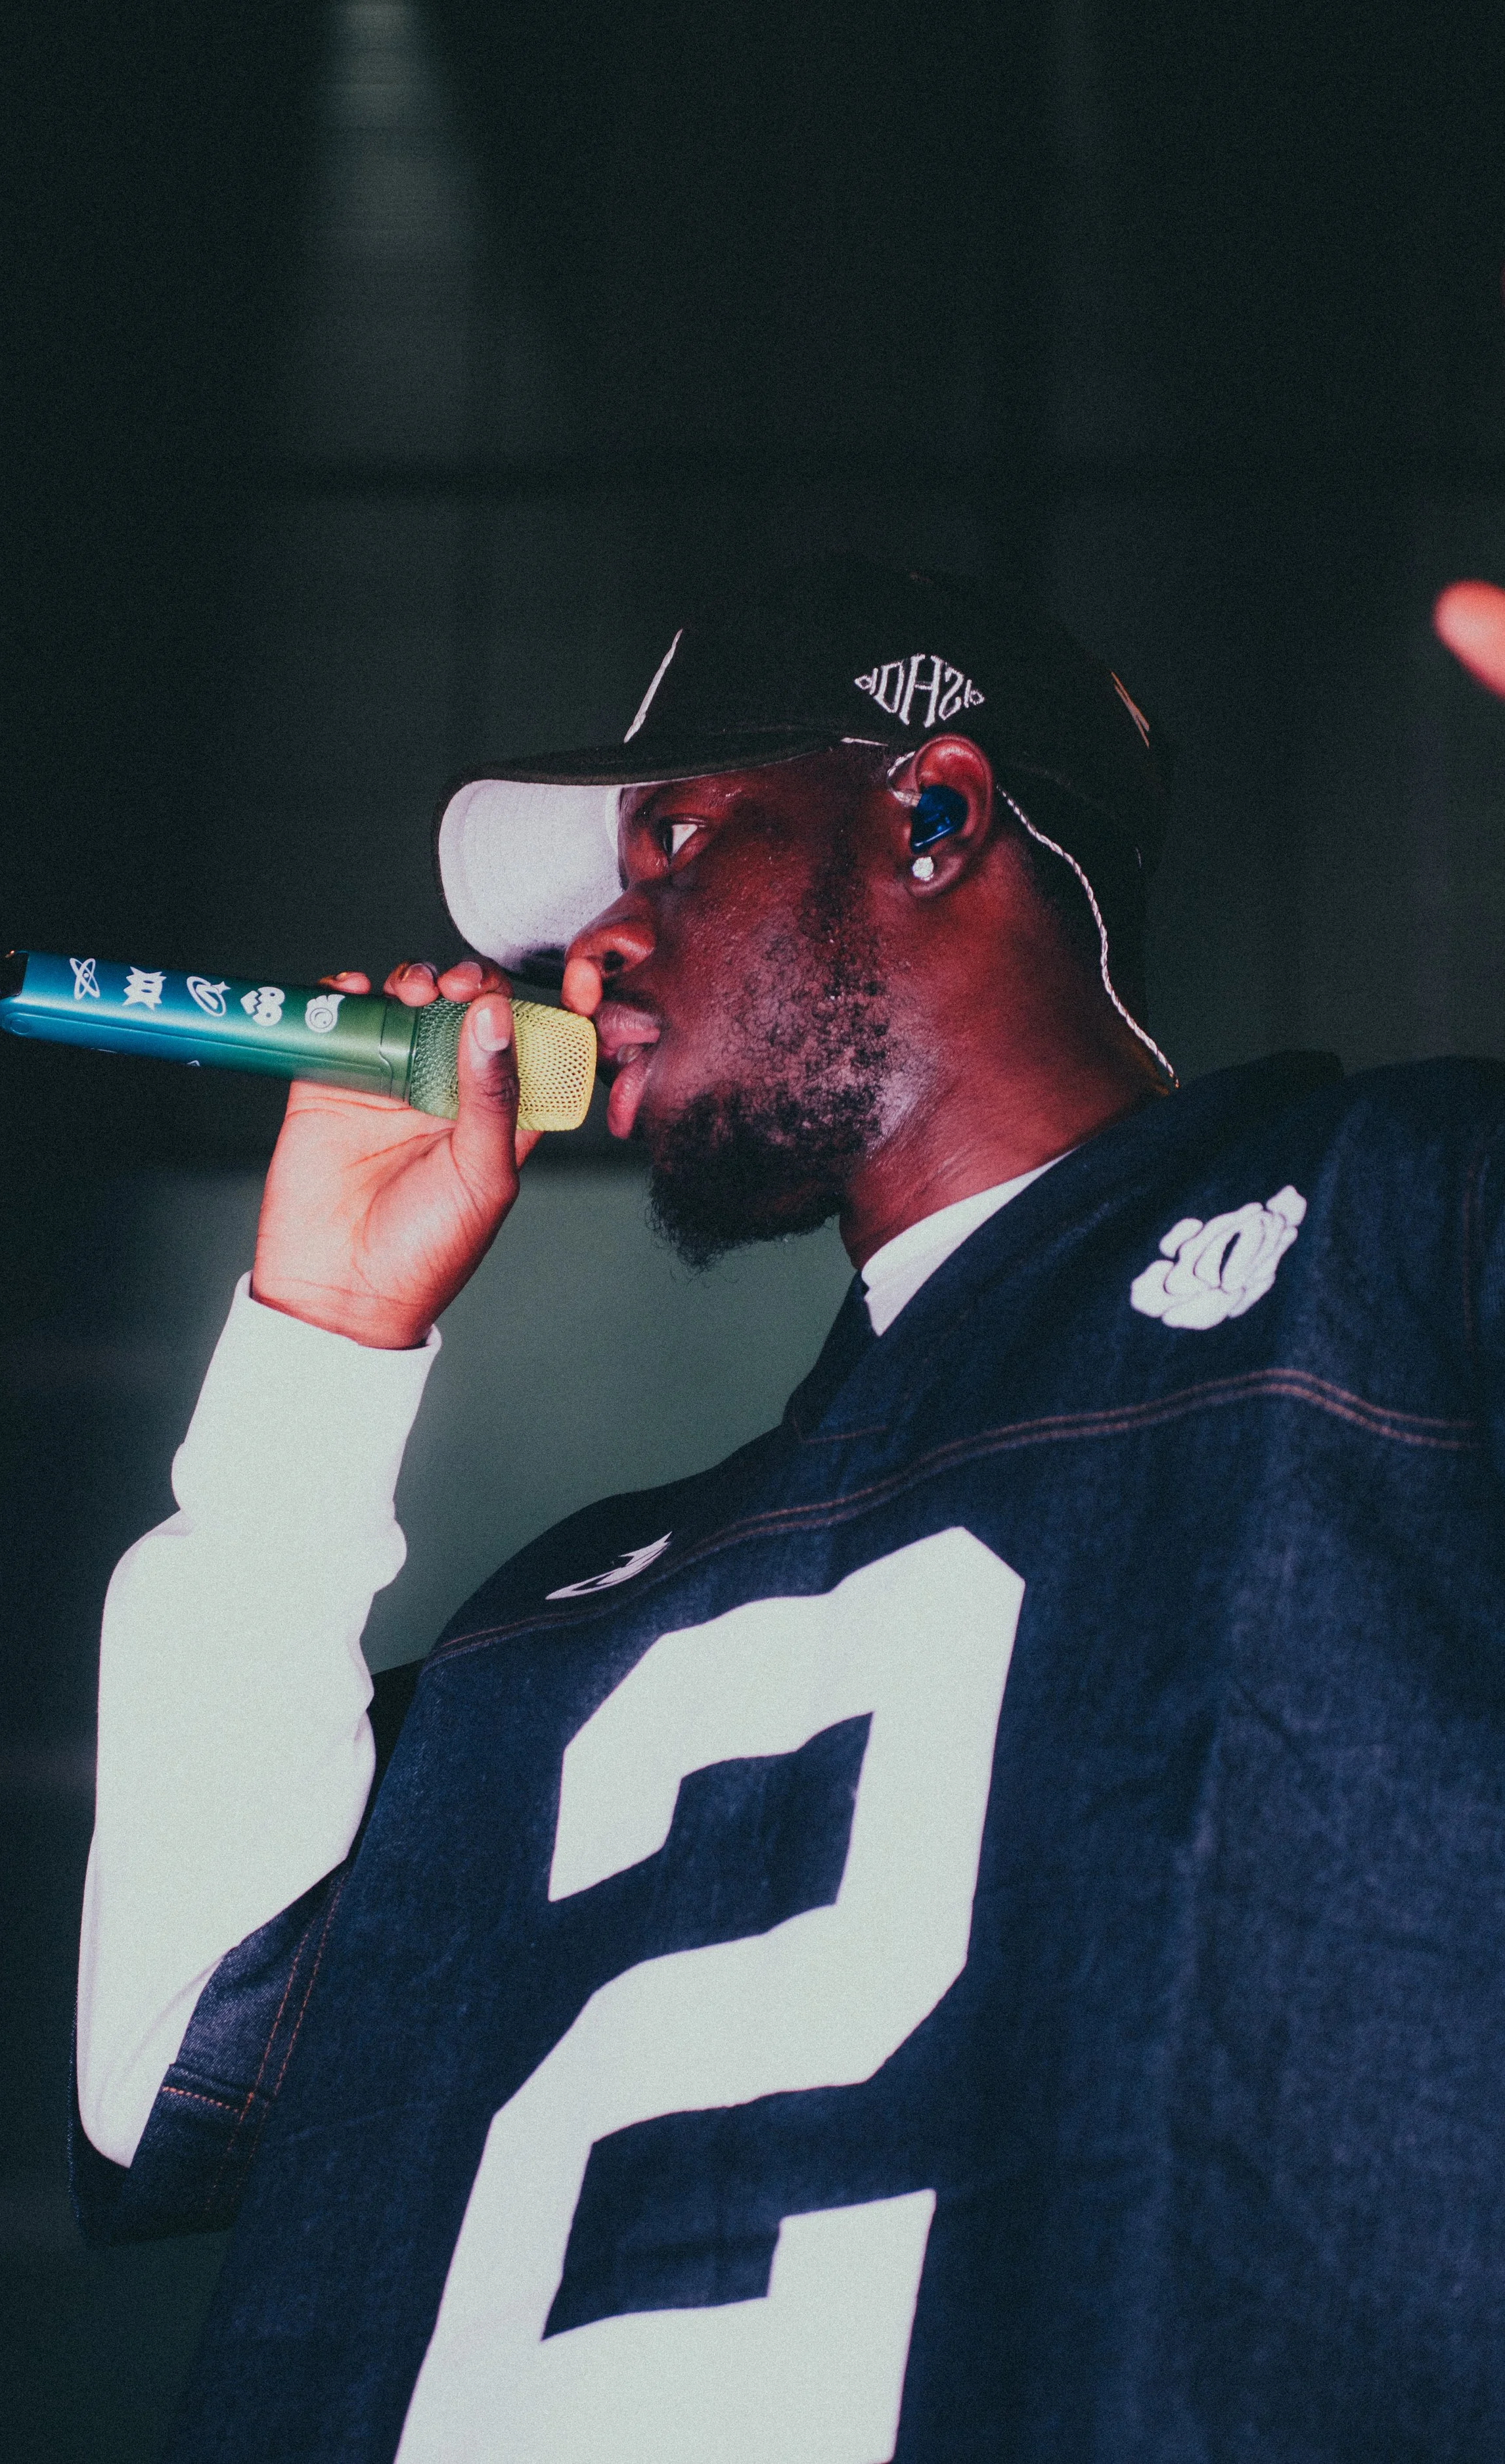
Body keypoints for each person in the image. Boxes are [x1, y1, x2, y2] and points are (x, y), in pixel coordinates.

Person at [75, 556, 1505, 2462]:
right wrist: (319, 1340)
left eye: (669, 844)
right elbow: (165, 2073)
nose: (592, 953)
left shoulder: (1385, 1232)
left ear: (931, 810)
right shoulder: (580, 1598)